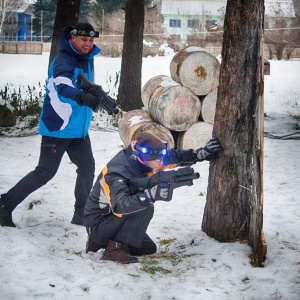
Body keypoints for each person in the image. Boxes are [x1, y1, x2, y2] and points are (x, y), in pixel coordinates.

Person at [0, 22, 114, 228]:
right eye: (83, 40)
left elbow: (82, 83)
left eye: (90, 40)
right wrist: (81, 97)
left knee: (87, 168)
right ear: (72, 39)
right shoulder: (64, 59)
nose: (88, 44)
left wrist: (96, 94)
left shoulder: (85, 57)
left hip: (78, 128)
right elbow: (62, 87)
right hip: (59, 127)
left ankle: (81, 214)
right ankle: (4, 205)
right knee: (44, 172)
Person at [84, 131, 223, 264]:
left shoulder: (149, 156)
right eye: (158, 160)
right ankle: (112, 249)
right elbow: (119, 206)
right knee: (146, 207)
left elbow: (175, 156)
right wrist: (149, 196)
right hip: (98, 224)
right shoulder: (116, 173)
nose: (161, 162)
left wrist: (200, 154)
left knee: (148, 248)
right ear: (143, 158)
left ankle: (115, 244)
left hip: (114, 221)